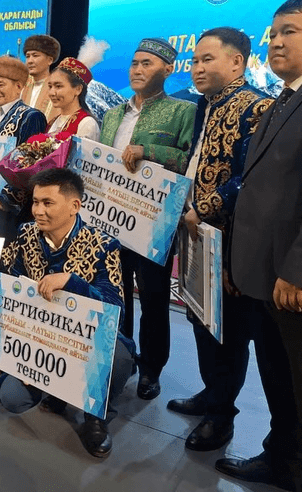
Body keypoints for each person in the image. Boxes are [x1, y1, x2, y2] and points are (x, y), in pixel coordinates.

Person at [219, 0, 302, 491]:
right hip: (269, 278)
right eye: (274, 32)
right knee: (282, 387)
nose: (277, 41)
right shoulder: (289, 95)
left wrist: (301, 271)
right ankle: (282, 459)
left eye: (291, 31)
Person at [166, 28, 273, 452]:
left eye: (207, 59)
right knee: (201, 321)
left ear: (237, 62)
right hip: (196, 234)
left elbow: (252, 177)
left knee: (228, 333)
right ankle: (211, 393)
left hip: (230, 243)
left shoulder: (257, 107)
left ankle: (222, 416)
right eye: (194, 61)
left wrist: (205, 207)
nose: (197, 68)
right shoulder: (203, 106)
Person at [0, 168, 135, 459]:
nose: (38, 211)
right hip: (39, 337)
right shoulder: (26, 233)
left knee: (119, 359)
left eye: (48, 203)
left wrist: (72, 282)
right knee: (12, 398)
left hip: (85, 341)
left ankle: (96, 416)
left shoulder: (104, 244)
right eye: (35, 202)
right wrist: (21, 361)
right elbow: (11, 285)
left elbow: (114, 310)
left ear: (74, 206)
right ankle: (56, 391)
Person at [99, 37, 195, 401]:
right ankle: (121, 359)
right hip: (111, 219)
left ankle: (151, 369)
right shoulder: (112, 114)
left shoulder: (182, 111)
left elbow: (190, 161)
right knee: (115, 293)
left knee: (154, 301)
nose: (137, 69)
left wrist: (148, 151)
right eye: (134, 63)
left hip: (154, 224)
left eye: (147, 64)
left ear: (168, 70)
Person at [0, 55, 46, 241]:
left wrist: (8, 198)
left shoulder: (30, 116)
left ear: (18, 86)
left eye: (1, 84)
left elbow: (31, 163)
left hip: (7, 209)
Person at [46, 57, 100, 140]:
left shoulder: (87, 124)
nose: (52, 93)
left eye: (58, 86)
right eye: (50, 86)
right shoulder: (52, 122)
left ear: (78, 89)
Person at [21, 34, 61, 121]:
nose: (30, 61)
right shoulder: (22, 87)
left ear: (49, 60)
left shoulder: (57, 89)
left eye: (35, 56)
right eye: (28, 56)